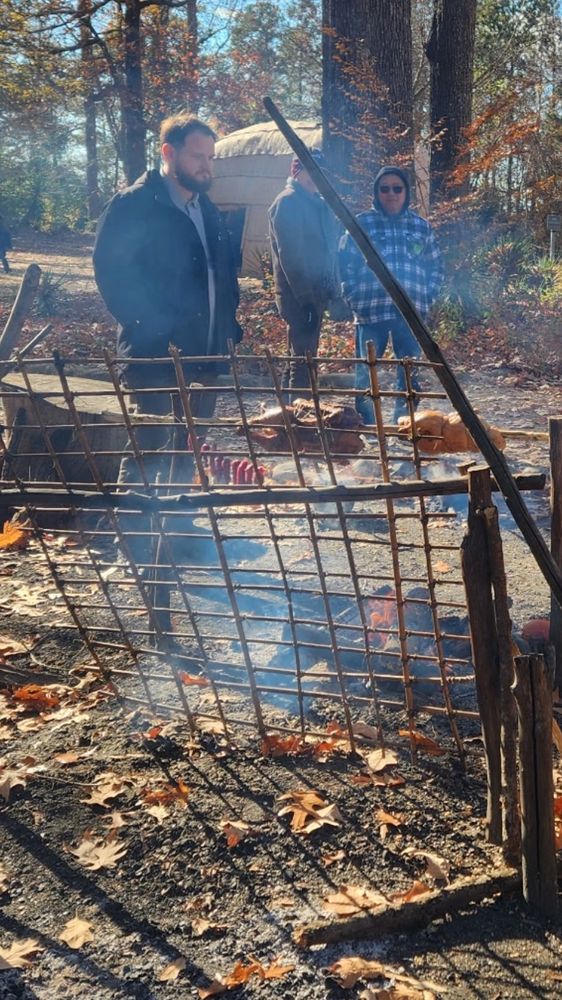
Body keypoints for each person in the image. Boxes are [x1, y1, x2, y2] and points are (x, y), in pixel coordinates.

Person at [93, 114, 243, 490]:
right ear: (168, 153)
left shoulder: (206, 209)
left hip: (205, 351)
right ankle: (135, 535)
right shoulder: (135, 205)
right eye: (197, 156)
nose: (206, 166)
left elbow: (224, 277)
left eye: (210, 157)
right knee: (151, 446)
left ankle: (179, 532)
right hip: (154, 352)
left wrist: (229, 329)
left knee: (187, 447)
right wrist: (151, 326)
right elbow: (113, 273)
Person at [339, 166, 443, 424]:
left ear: (406, 193)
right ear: (377, 193)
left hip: (410, 313)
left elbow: (436, 267)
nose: (391, 194)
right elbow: (343, 266)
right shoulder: (360, 224)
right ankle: (367, 426)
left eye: (397, 188)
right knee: (366, 372)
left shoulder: (421, 227)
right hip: (370, 309)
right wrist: (353, 297)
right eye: (384, 189)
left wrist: (426, 299)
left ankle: (405, 424)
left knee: (409, 372)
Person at [268, 149, 340, 394]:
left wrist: (333, 289)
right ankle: (299, 417)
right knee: (302, 359)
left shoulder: (319, 204)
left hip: (317, 291)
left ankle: (293, 415)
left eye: (318, 172)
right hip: (297, 294)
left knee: (303, 354)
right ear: (296, 171)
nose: (314, 177)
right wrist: (306, 300)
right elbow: (291, 256)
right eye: (309, 171)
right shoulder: (287, 202)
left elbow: (330, 248)